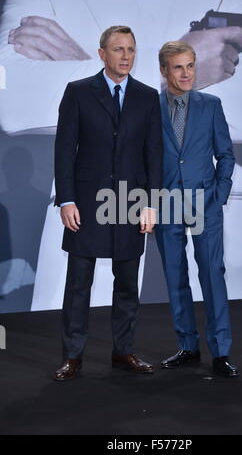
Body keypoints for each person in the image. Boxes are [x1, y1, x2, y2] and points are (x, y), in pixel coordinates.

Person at [0, 0, 242, 309]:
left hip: (216, 225)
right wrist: (176, 74)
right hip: (97, 213)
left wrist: (93, 69)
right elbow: (13, 98)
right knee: (90, 347)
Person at [53, 25, 162, 381]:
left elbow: (153, 155)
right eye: (118, 49)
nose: (126, 56)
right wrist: (66, 199)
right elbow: (65, 150)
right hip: (86, 203)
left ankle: (123, 351)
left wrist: (152, 204)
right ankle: (73, 356)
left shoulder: (147, 97)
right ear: (102, 54)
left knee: (127, 283)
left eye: (131, 49)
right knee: (79, 283)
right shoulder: (79, 92)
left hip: (131, 204)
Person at [156, 41, 238, 378]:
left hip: (206, 202)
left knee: (211, 274)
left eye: (190, 65)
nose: (186, 73)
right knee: (175, 278)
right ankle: (188, 346)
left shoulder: (211, 105)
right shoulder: (151, 107)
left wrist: (220, 192)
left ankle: (220, 352)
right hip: (165, 203)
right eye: (178, 67)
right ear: (164, 71)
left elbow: (226, 154)